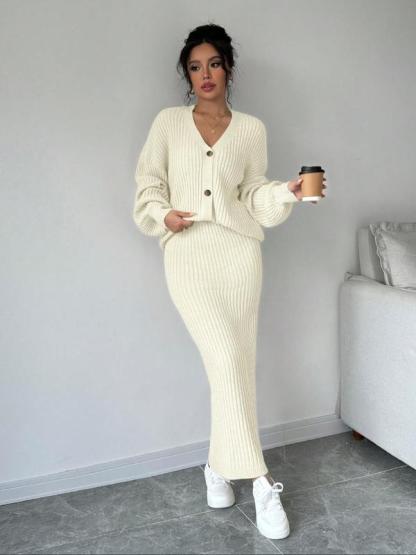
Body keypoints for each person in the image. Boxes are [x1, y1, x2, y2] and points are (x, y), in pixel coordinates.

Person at [133, 23, 327, 541]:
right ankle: (260, 481)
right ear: (187, 75)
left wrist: (287, 191)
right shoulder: (168, 123)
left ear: (229, 69)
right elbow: (148, 182)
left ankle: (217, 470)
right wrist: (162, 214)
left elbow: (252, 196)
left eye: (213, 64)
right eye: (195, 67)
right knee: (224, 358)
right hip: (189, 256)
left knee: (236, 364)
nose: (205, 75)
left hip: (240, 256)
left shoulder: (251, 130)